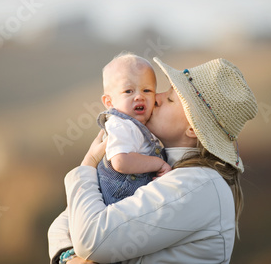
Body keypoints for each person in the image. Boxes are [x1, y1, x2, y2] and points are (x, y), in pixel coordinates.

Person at [48, 57, 258, 264]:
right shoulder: (158, 163)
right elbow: (64, 224)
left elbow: (91, 238)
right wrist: (70, 257)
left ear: (193, 128)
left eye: (170, 98)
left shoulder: (194, 183)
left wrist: (88, 165)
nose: (156, 97)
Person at [96, 53, 170, 205]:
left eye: (147, 91)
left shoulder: (138, 125)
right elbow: (121, 161)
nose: (139, 96)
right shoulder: (120, 125)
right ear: (109, 102)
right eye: (129, 91)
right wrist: (158, 163)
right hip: (118, 199)